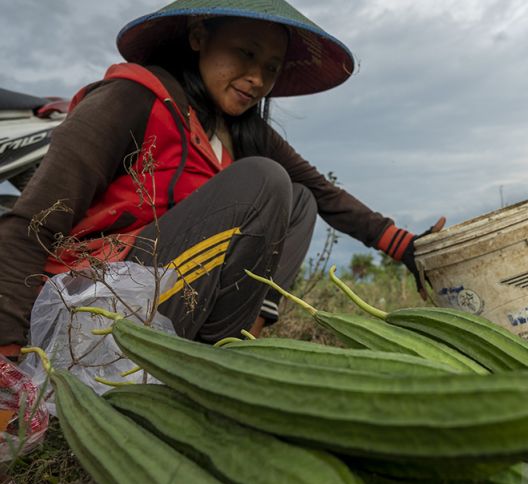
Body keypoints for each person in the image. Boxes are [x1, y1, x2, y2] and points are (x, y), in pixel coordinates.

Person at [0, 0, 445, 362]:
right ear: (198, 36)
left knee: (300, 198)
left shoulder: (242, 131)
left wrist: (406, 248)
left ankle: (230, 352)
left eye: (271, 67)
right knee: (263, 180)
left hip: (169, 300)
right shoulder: (131, 97)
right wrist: (7, 353)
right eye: (246, 54)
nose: (257, 80)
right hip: (88, 304)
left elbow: (326, 195)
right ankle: (203, 362)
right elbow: (31, 225)